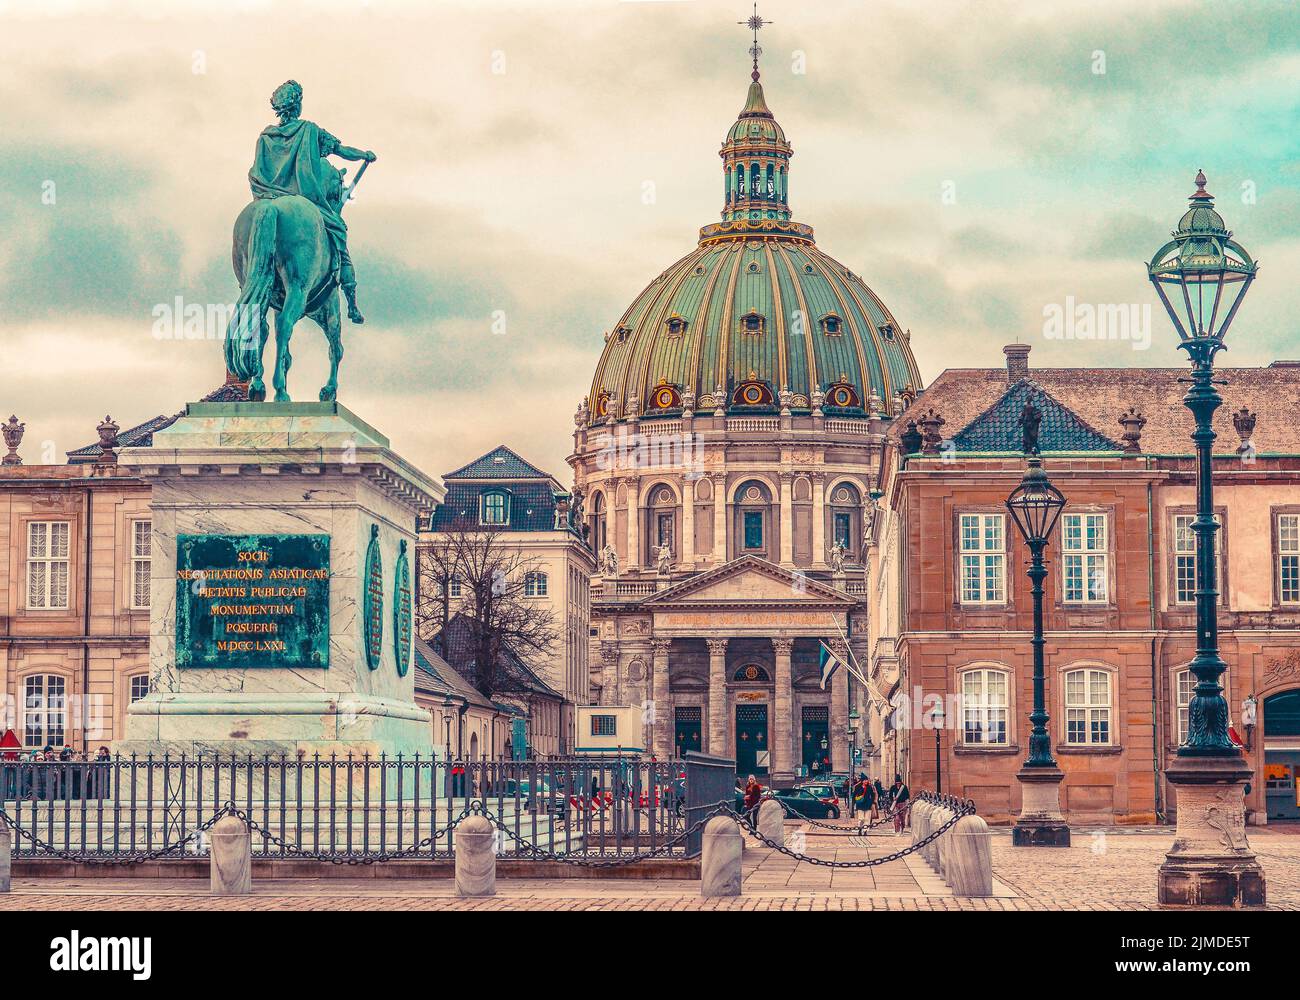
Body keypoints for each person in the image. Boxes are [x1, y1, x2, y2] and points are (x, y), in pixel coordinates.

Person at [247, 80, 376, 323]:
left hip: (266, 197)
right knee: (338, 231)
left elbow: (257, 173)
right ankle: (352, 303)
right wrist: (364, 155)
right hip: (305, 200)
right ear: (298, 105)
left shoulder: (265, 137)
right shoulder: (309, 130)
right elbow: (341, 150)